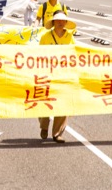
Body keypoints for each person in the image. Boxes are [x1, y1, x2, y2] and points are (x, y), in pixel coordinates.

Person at [38, 11, 76, 143]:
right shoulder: (45, 37)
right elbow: (38, 55)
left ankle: (57, 133)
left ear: (66, 22)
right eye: (57, 20)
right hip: (47, 74)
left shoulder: (69, 37)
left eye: (62, 20)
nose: (60, 23)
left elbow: (74, 54)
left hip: (64, 75)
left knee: (63, 104)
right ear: (53, 22)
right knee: (44, 102)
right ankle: (44, 125)